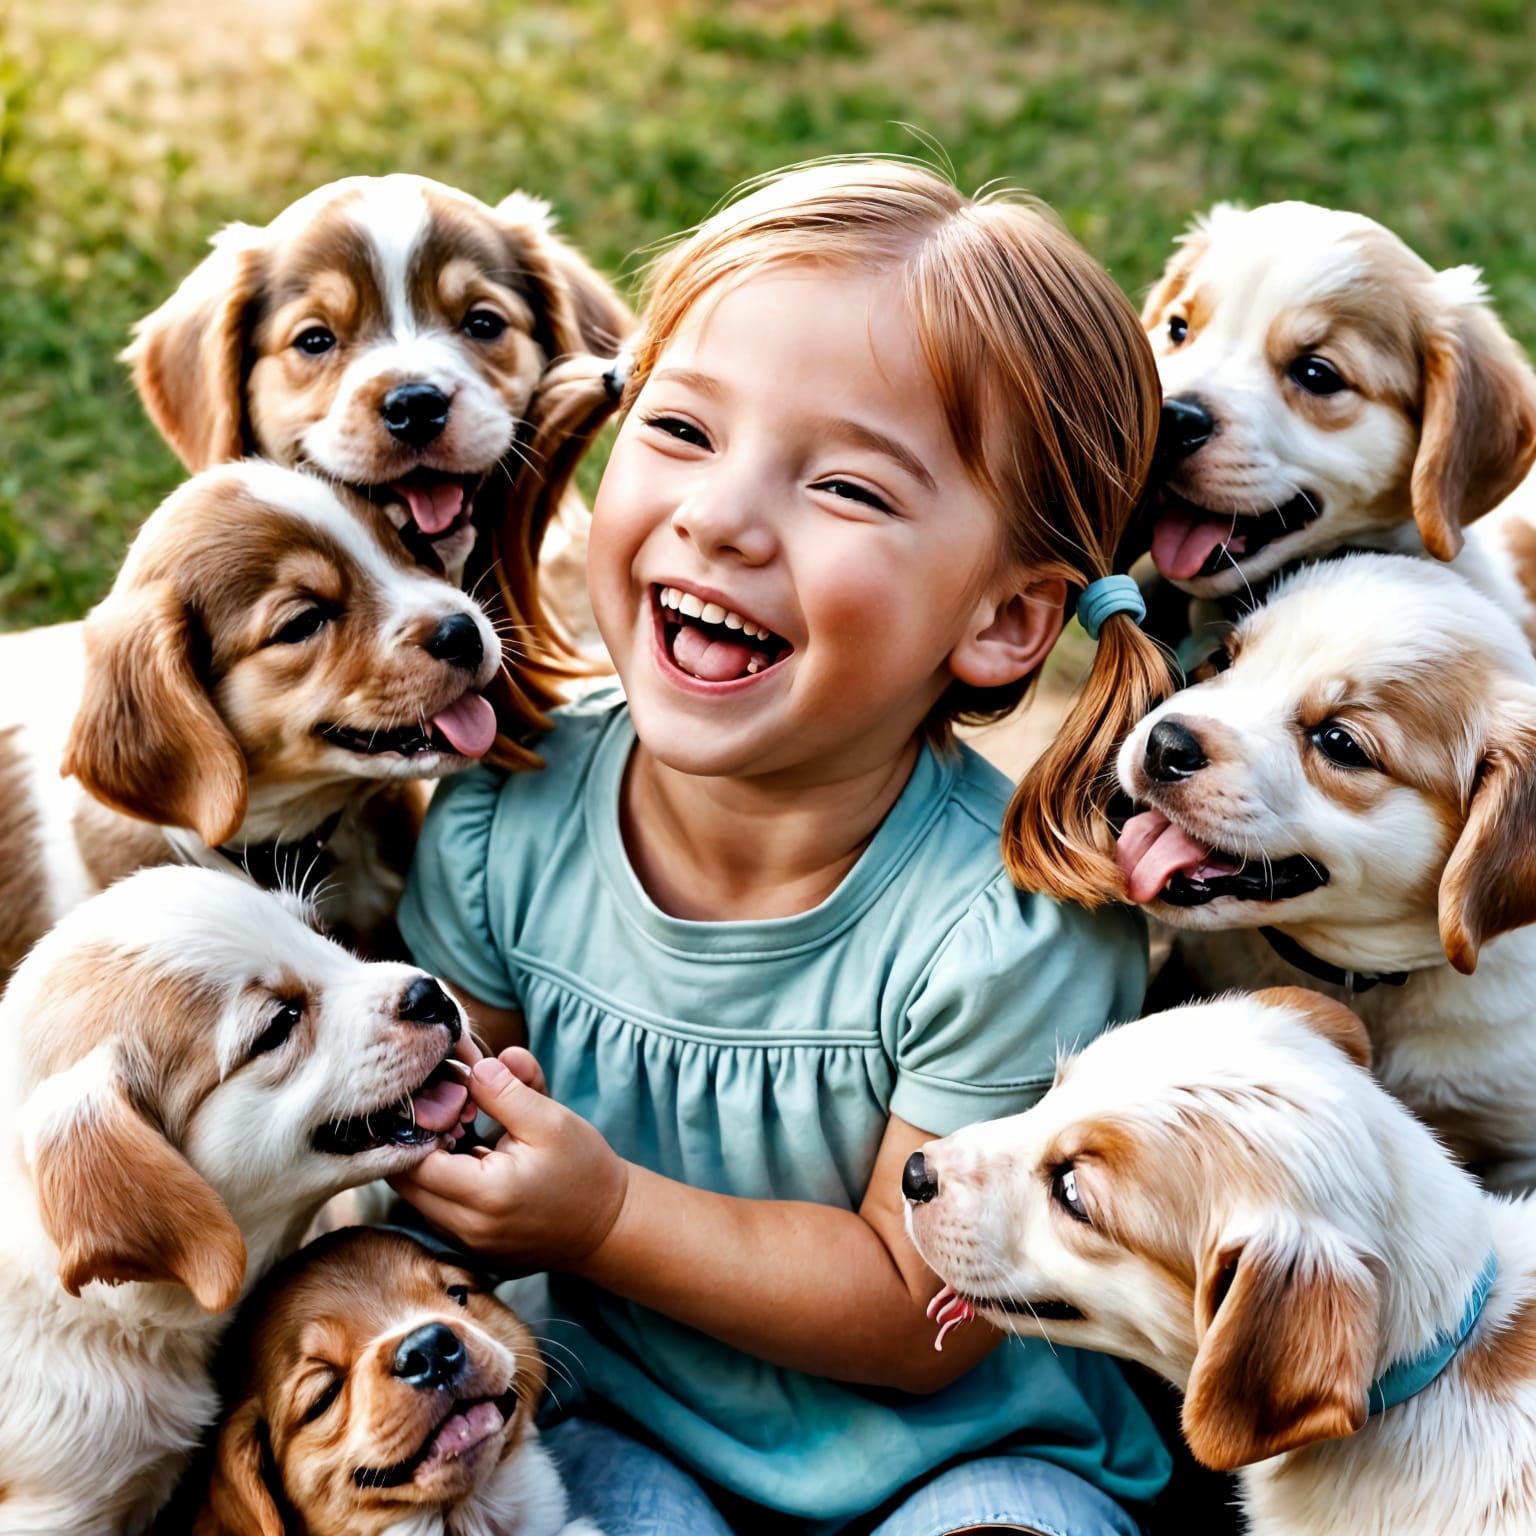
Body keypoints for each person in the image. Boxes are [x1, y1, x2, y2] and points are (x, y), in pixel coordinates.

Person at [395, 159, 1172, 1535]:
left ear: (1002, 619)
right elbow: (447, 1127)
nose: (722, 517)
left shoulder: (1013, 922)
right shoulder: (503, 815)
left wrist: (602, 1218)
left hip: (963, 1451)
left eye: (850, 491)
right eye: (684, 430)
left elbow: (917, 1312)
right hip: (620, 1419)